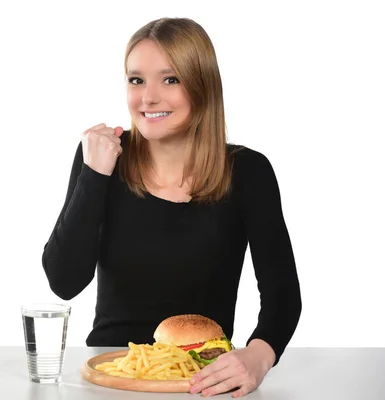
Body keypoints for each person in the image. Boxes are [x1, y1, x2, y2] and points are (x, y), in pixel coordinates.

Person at [41, 17, 301, 398]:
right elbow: (64, 282)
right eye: (136, 80)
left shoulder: (248, 171)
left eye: (170, 79)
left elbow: (282, 292)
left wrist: (258, 356)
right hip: (112, 375)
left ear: (202, 85)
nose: (148, 98)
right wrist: (94, 176)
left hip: (202, 381)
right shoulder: (102, 159)